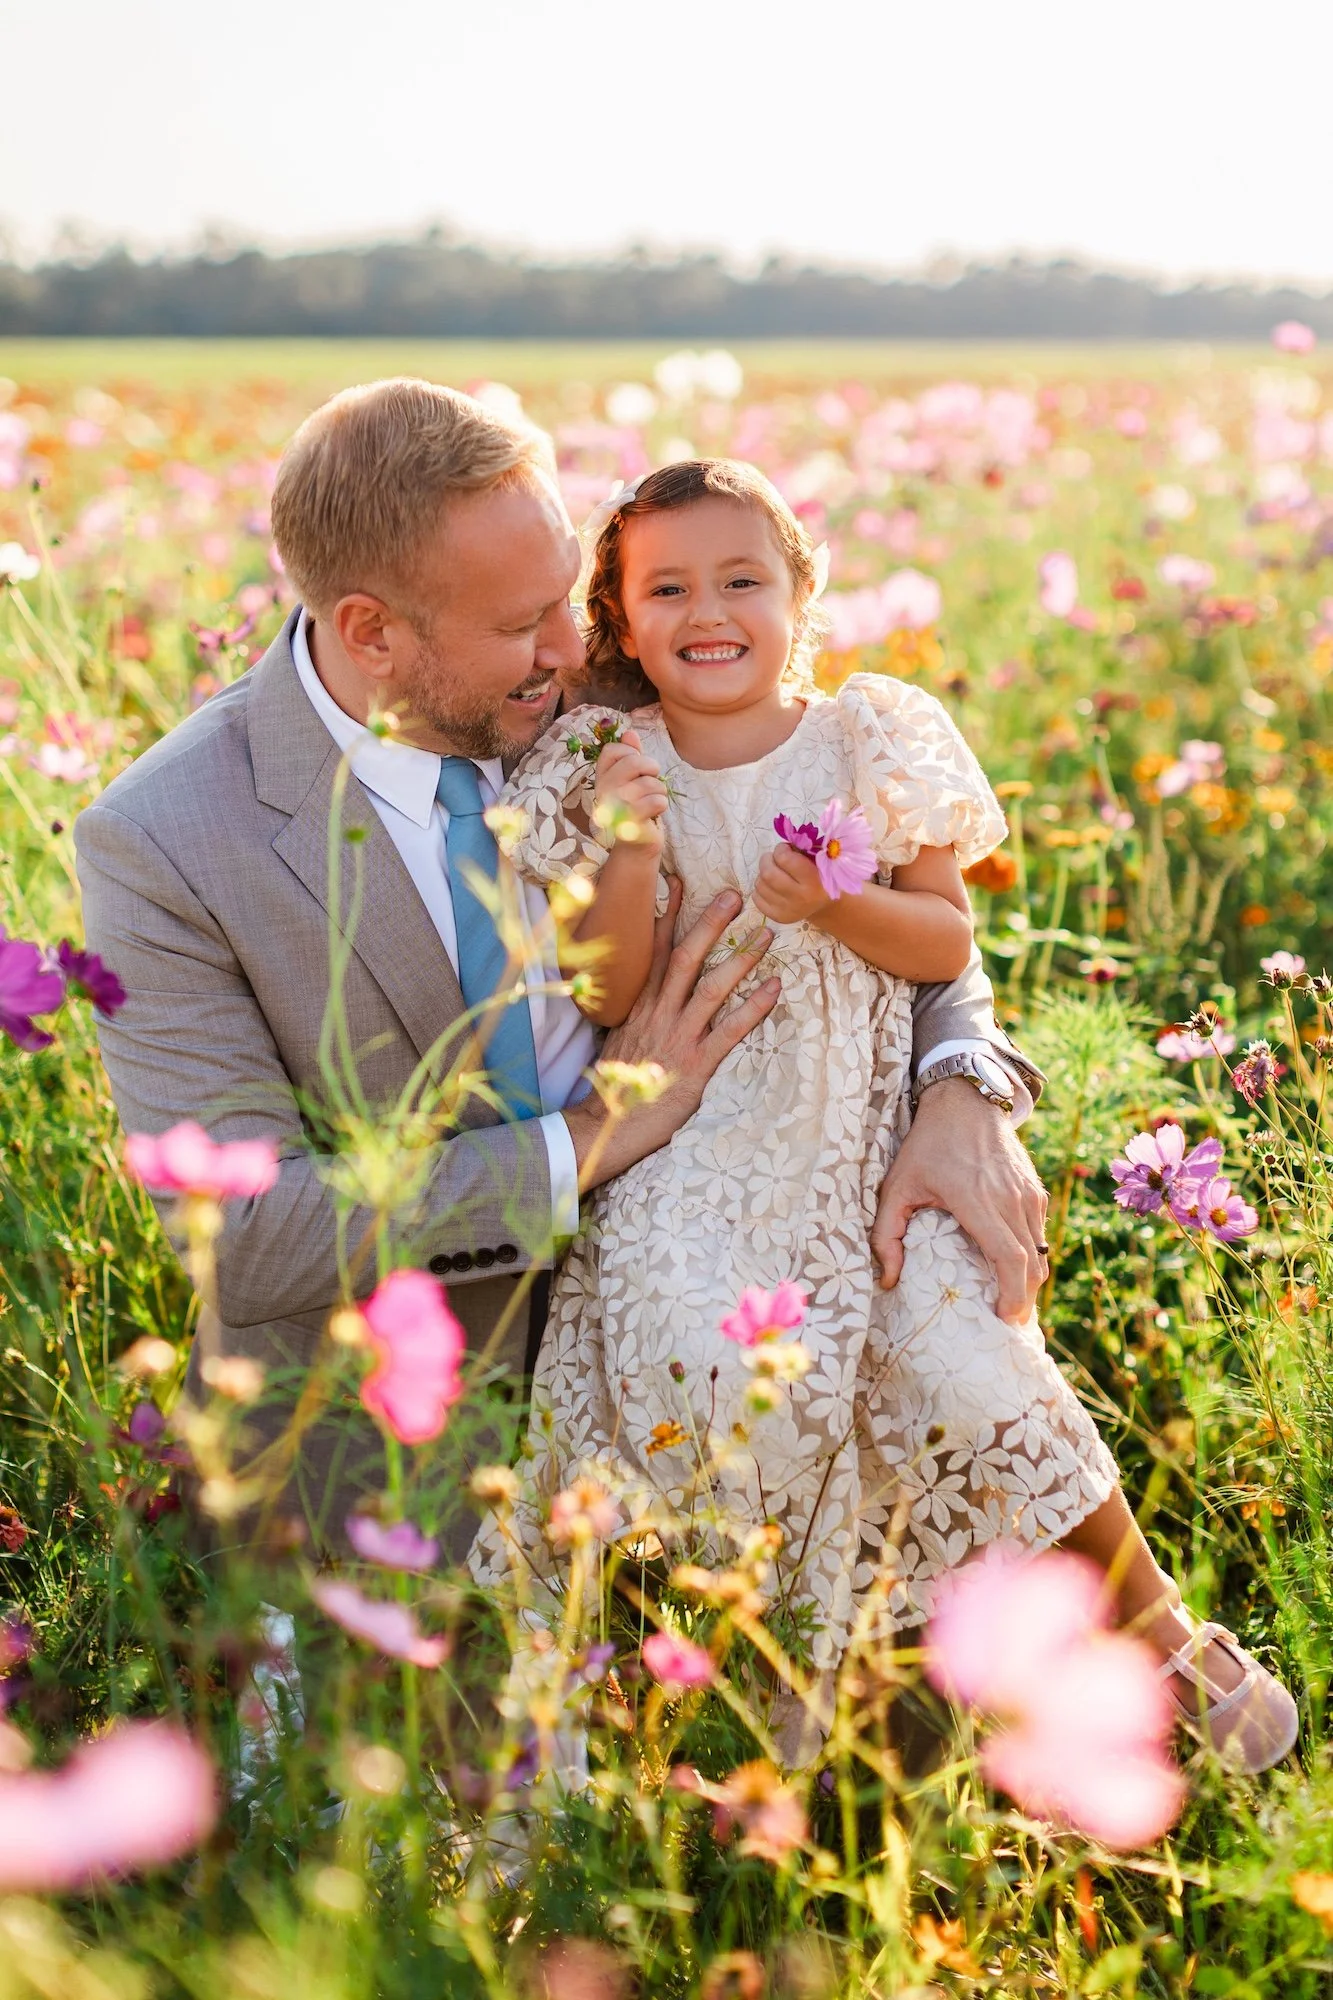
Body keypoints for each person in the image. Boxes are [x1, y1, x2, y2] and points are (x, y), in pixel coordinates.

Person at [74, 379, 1047, 1567]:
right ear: (372, 629)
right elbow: (253, 1233)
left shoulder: (601, 681)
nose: (578, 647)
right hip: (406, 1449)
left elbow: (887, 879)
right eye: (523, 624)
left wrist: (962, 1086)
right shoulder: (168, 836)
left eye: (567, 602)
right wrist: (592, 1131)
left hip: (744, 1301)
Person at [470, 458, 1296, 1774]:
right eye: (667, 588)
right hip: (691, 1138)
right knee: (689, 1340)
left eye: (742, 578)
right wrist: (625, 845)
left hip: (856, 1130)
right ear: (621, 623)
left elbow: (941, 938)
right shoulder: (601, 758)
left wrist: (831, 907)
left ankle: (1166, 1639)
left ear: (802, 592)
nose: (709, 610)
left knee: (965, 1346)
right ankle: (769, 1690)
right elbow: (611, 988)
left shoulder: (868, 735)